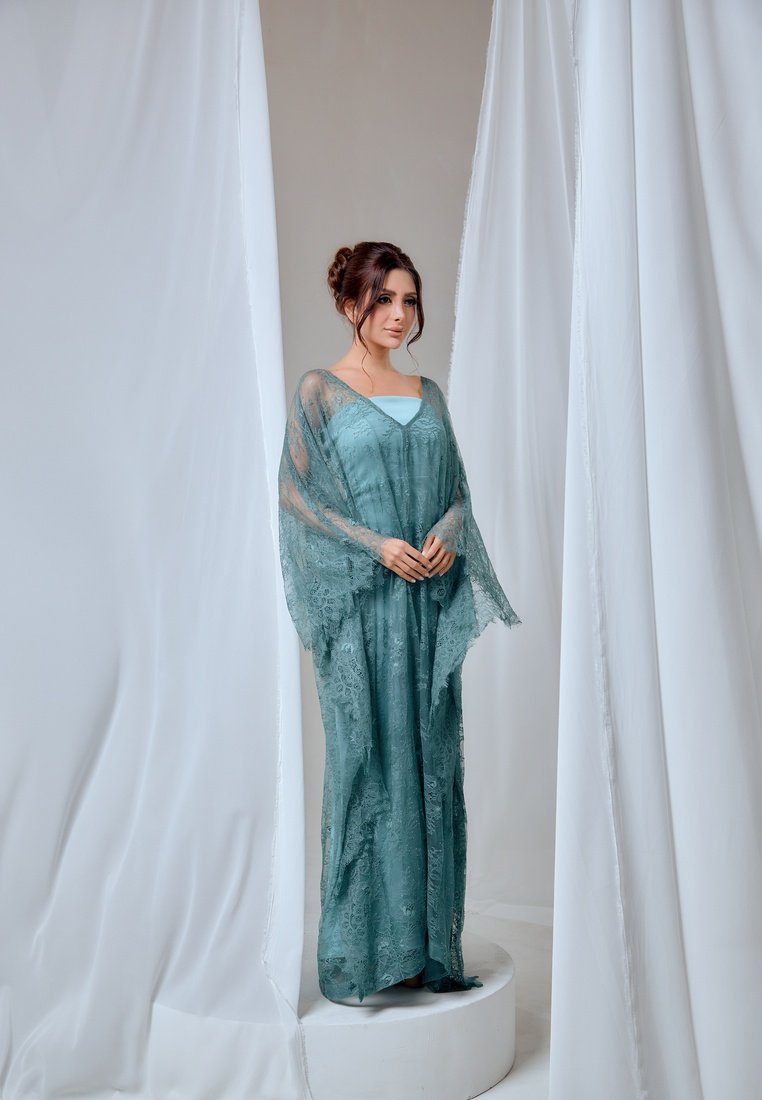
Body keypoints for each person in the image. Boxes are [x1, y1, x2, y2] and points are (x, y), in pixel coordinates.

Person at [278, 241, 520, 1003]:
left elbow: (458, 494)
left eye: (409, 300)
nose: (399, 314)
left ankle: (426, 949)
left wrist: (448, 531)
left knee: (431, 762)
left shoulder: (428, 392)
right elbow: (298, 498)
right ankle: (363, 956)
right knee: (367, 763)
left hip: (425, 611)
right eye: (383, 299)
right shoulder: (320, 391)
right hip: (365, 612)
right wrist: (375, 544)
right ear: (350, 303)